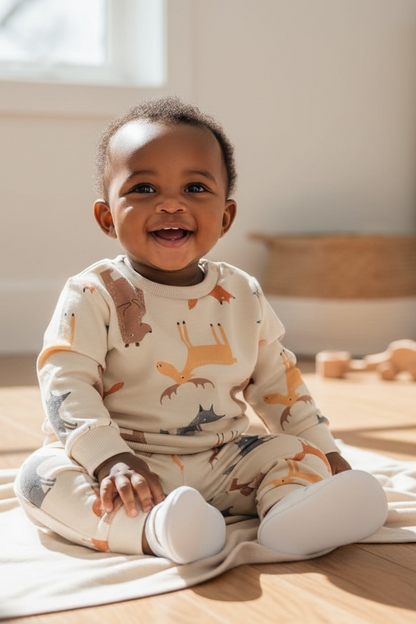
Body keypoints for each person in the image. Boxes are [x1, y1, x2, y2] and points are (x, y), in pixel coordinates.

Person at [15, 96, 387, 564]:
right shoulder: (93, 293)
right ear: (107, 218)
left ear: (226, 217)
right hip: (125, 466)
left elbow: (278, 384)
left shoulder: (242, 293)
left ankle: (291, 515)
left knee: (294, 454)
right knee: (38, 478)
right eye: (144, 189)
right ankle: (158, 529)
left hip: (222, 463)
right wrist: (108, 457)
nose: (171, 204)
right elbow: (64, 383)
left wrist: (326, 453)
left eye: (195, 188)